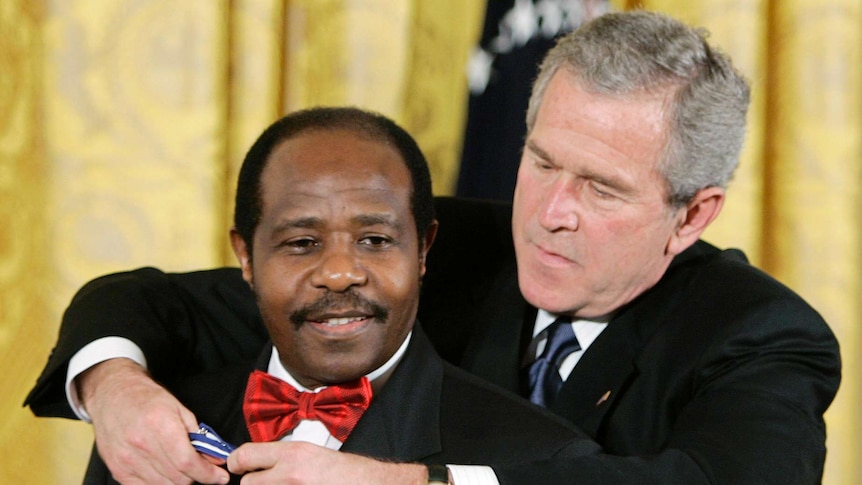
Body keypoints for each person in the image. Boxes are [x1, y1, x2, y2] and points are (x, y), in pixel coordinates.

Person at [27, 10, 840, 485]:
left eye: (601, 188)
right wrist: (111, 383)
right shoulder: (453, 247)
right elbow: (158, 300)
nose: (549, 212)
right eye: (542, 161)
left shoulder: (762, 337)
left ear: (693, 215)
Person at [31, 107, 601, 484]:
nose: (339, 274)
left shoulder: (537, 456)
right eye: (301, 243)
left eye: (375, 240)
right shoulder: (146, 432)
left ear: (423, 251)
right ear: (245, 258)